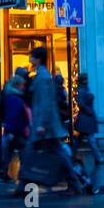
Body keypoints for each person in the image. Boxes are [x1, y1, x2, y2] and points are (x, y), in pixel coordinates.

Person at [23, 46, 86, 194]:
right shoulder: (40, 75)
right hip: (44, 123)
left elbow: (45, 102)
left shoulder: (43, 76)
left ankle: (74, 183)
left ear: (38, 59)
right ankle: (74, 183)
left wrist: (42, 124)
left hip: (45, 125)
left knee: (55, 153)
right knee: (39, 152)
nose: (30, 58)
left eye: (32, 56)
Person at [0, 72, 31, 180]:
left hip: (15, 131)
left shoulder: (12, 97)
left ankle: (4, 173)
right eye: (22, 85)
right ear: (17, 85)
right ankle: (21, 175)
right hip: (16, 131)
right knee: (22, 153)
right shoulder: (15, 98)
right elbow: (13, 116)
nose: (23, 87)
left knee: (9, 153)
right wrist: (11, 131)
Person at [74, 72, 104, 167]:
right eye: (85, 79)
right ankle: (98, 157)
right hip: (86, 118)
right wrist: (89, 111)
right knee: (90, 139)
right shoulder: (82, 90)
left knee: (81, 140)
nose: (87, 80)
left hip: (86, 118)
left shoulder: (84, 89)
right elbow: (81, 104)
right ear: (83, 80)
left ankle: (71, 154)